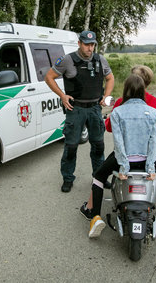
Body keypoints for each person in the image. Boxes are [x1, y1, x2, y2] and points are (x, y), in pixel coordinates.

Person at [83, 73, 156, 239]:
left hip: (123, 159)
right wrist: (151, 167)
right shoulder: (154, 113)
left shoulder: (117, 112)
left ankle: (95, 216)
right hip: (145, 160)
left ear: (126, 91)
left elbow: (119, 143)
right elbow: (154, 144)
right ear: (143, 91)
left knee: (99, 176)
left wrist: (123, 166)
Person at [44, 30, 114, 192]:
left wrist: (106, 96)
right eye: (86, 44)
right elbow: (49, 77)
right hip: (75, 109)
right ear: (79, 44)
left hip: (95, 109)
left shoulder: (100, 60)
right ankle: (68, 178)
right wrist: (62, 95)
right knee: (71, 146)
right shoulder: (68, 60)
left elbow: (110, 78)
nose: (90, 48)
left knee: (98, 146)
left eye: (92, 45)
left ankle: (99, 178)